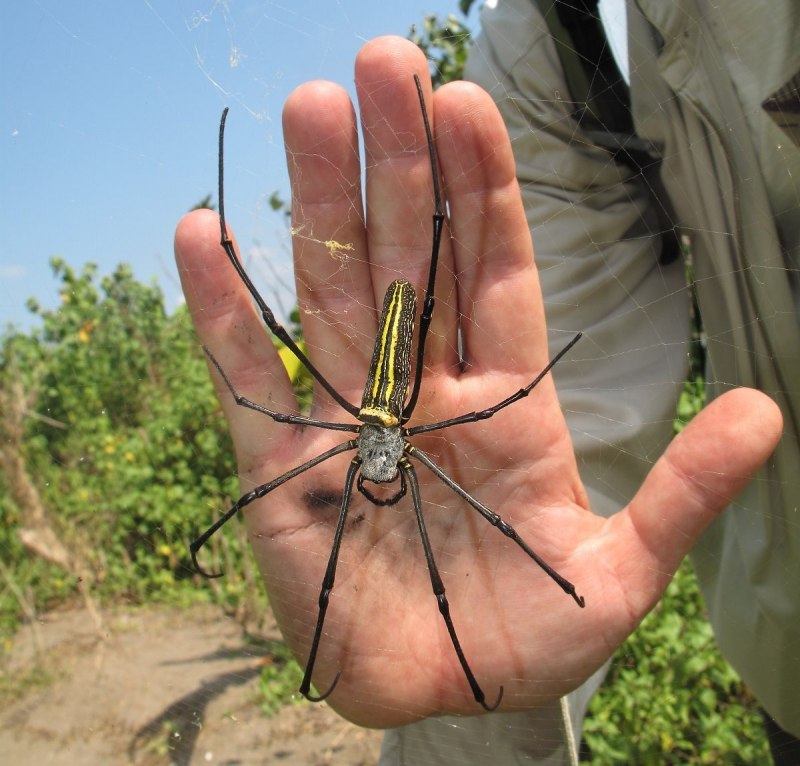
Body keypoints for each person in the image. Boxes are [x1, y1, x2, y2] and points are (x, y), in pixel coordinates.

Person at [174, 33, 785, 765]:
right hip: (385, 403)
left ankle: (452, 665)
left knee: (455, 506)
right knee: (317, 473)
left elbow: (494, 407)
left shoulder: (378, 443)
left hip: (385, 389)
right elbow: (286, 421)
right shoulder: (545, 42)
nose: (379, 472)